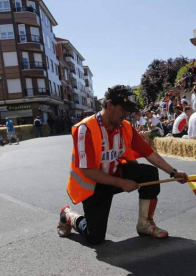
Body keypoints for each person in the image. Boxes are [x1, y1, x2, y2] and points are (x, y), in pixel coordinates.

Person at [57, 85, 188, 244]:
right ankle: (68, 215)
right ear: (110, 105)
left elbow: (148, 153)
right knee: (95, 237)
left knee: (150, 173)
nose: (127, 114)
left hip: (114, 173)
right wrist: (121, 183)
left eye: (129, 110)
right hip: (93, 185)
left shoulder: (125, 126)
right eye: (123, 109)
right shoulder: (85, 129)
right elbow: (89, 171)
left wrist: (173, 172)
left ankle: (145, 224)